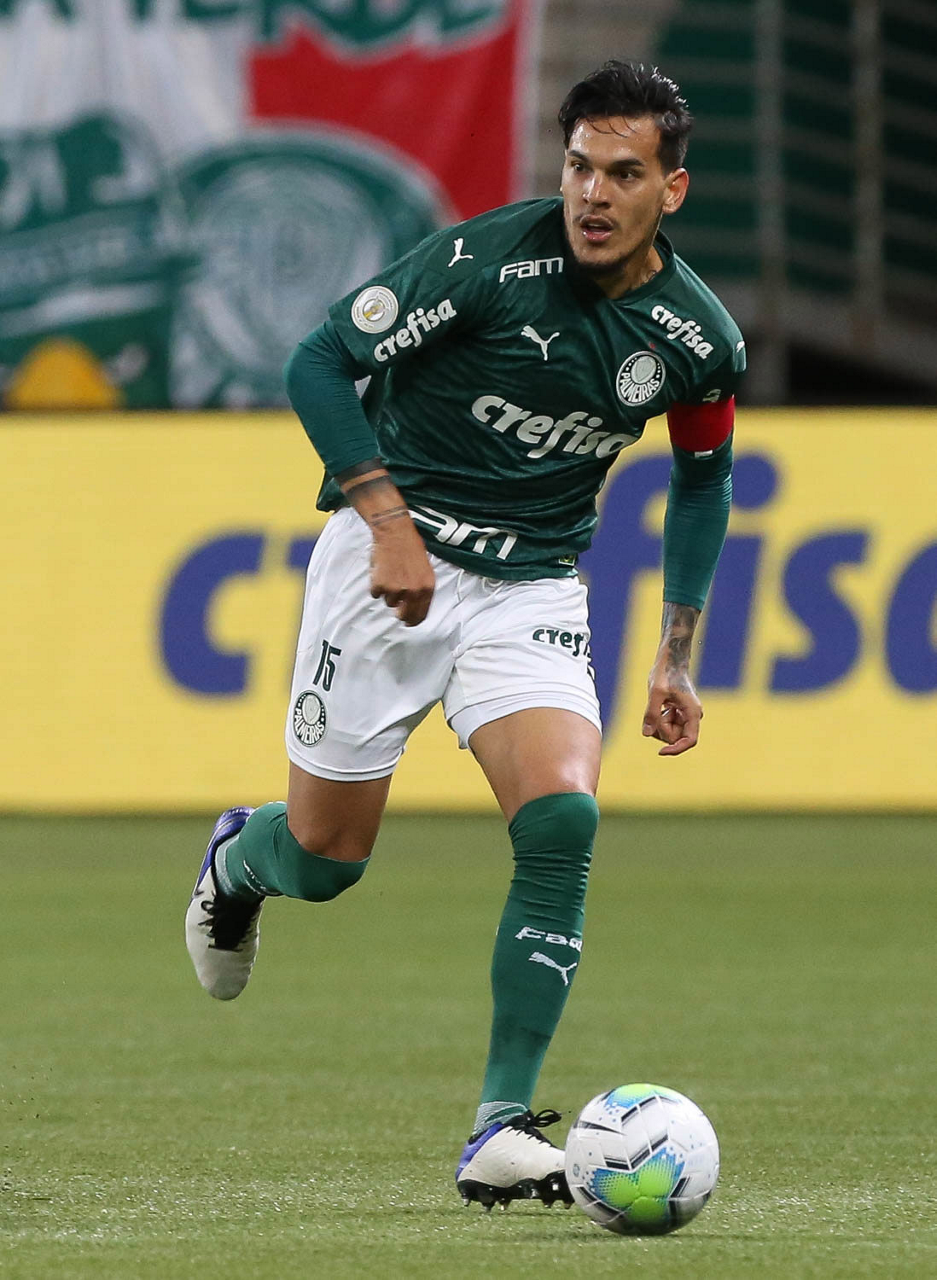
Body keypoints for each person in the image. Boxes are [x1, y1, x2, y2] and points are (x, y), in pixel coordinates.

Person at [185, 59, 744, 1210]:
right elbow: (318, 360)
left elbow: (703, 477)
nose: (592, 193)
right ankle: (240, 860)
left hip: (530, 584)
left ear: (671, 190)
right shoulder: (487, 262)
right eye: (579, 166)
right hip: (388, 567)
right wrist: (387, 520)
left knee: (563, 818)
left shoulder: (696, 338)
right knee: (326, 860)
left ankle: (499, 1121)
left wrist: (675, 652)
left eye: (621, 173)